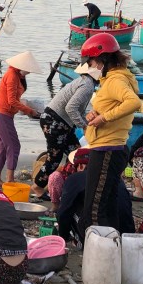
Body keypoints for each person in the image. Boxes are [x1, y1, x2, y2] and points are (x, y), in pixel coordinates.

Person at [79, 32, 141, 235]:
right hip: (111, 146)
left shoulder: (115, 80)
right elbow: (112, 105)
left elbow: (133, 102)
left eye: (91, 62)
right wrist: (95, 113)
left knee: (94, 208)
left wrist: (104, 118)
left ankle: (98, 245)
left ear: (103, 60)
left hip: (107, 148)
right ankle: (113, 242)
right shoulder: (114, 79)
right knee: (107, 203)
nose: (90, 66)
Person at [32, 62, 101, 197]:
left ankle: (69, 184)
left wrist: (87, 123)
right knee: (55, 157)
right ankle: (37, 186)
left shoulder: (85, 82)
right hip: (54, 121)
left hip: (61, 122)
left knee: (76, 153)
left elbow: (78, 110)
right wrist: (83, 126)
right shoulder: (87, 86)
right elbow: (70, 108)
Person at [56, 148, 135, 244]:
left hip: (99, 237)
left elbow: (63, 212)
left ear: (80, 166)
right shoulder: (118, 180)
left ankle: (82, 242)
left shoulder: (75, 178)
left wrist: (63, 236)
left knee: (69, 208)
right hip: (126, 234)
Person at [0, 51, 43, 188]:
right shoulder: (12, 76)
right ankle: (9, 179)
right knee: (14, 146)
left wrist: (25, 108)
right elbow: (12, 101)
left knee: (3, 146)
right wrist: (29, 111)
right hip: (2, 114)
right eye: (28, 69)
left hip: (4, 114)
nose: (29, 72)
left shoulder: (18, 76)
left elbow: (14, 100)